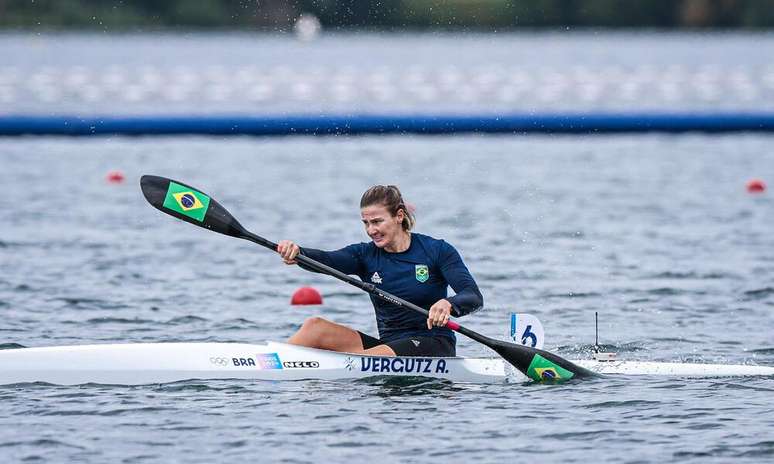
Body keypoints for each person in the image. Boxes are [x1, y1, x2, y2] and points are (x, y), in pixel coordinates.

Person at [277, 185, 482, 357]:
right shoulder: (365, 255)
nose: (370, 230)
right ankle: (271, 364)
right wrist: (298, 252)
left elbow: (473, 296)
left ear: (399, 216)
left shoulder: (437, 250)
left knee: (366, 359)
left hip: (432, 343)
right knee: (314, 326)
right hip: (388, 345)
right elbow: (327, 259)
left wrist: (448, 304)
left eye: (377, 222)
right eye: (366, 223)